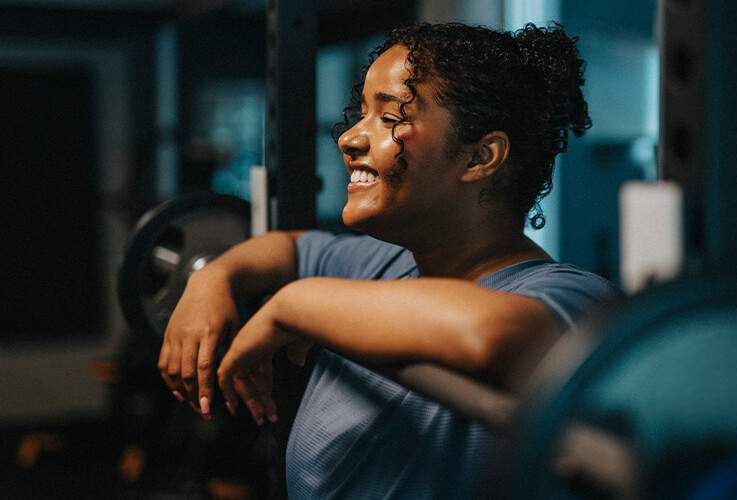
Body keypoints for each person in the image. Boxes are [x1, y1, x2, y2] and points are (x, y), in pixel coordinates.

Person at [158, 22, 619, 499]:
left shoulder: (571, 296)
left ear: (481, 157)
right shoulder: (386, 263)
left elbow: (492, 334)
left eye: (389, 117)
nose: (350, 138)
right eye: (361, 114)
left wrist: (294, 305)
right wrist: (213, 278)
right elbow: (289, 248)